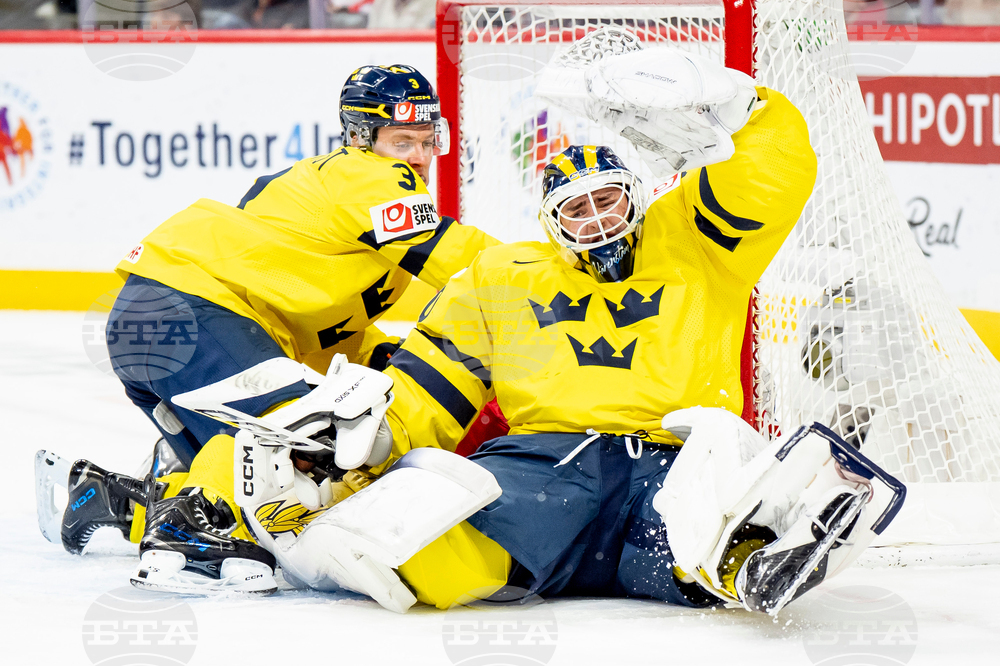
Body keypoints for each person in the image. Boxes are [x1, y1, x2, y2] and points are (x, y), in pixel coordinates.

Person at [195, 39, 902, 614]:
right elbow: (434, 386)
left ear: (636, 197)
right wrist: (380, 435)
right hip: (546, 463)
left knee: (695, 529)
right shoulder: (503, 277)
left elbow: (769, 180)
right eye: (577, 210)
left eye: (608, 201)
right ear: (550, 224)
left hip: (671, 455)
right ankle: (322, 549)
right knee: (433, 540)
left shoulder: (695, 243)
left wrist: (742, 104)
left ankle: (752, 562)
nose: (597, 221)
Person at [38, 64, 499, 591]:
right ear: (359, 138)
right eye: (401, 140)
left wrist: (384, 362)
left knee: (270, 483)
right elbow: (475, 266)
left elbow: (323, 331)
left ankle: (116, 501)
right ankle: (183, 542)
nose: (418, 157)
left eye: (427, 139)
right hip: (193, 312)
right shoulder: (366, 176)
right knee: (287, 441)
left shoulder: (329, 204)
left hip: (151, 320)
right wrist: (565, 273)